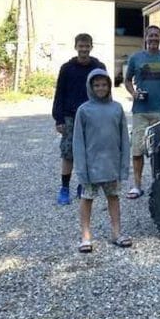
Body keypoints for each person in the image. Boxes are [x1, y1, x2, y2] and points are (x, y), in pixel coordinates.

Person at [73, 68, 131, 252]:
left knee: (113, 198)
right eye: (96, 85)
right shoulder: (83, 110)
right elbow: (78, 143)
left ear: (109, 86)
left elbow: (124, 139)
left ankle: (116, 232)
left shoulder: (117, 108)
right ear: (90, 86)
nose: (100, 88)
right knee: (87, 199)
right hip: (91, 167)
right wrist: (81, 170)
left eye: (104, 84)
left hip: (111, 166)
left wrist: (124, 167)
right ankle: (85, 236)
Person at [51, 33, 106, 205]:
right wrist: (58, 118)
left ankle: (84, 185)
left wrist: (104, 113)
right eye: (81, 46)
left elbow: (104, 90)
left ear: (91, 46)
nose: (84, 49)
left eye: (86, 46)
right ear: (76, 47)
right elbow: (59, 93)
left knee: (89, 152)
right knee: (68, 154)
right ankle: (64, 188)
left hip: (92, 116)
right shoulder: (67, 68)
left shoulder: (99, 66)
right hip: (70, 116)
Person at [123, 25, 160, 199]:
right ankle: (137, 186)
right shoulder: (136, 58)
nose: (153, 38)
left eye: (156, 35)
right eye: (150, 35)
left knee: (159, 150)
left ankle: (158, 184)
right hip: (141, 111)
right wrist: (133, 93)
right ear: (145, 38)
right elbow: (127, 80)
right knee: (137, 149)